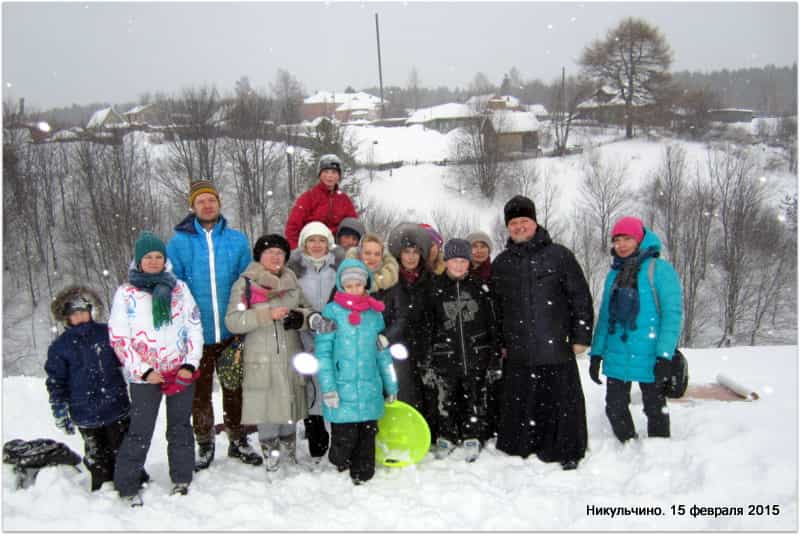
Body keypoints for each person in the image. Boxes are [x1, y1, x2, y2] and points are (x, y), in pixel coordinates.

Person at [491, 195, 594, 470]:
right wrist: (500, 342)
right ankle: (523, 446)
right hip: (519, 351)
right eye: (513, 223)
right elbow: (496, 310)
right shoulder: (501, 264)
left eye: (524, 221)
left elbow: (580, 296)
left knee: (561, 404)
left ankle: (565, 449)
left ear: (535, 222)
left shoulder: (559, 256)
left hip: (556, 347)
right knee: (521, 403)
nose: (519, 227)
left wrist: (582, 335)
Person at [166, 179, 262, 470]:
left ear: (219, 204)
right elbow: (175, 286)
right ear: (192, 207)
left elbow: (248, 281)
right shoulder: (179, 243)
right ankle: (205, 443)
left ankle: (238, 439)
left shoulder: (236, 240)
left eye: (211, 200)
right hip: (197, 334)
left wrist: (245, 318)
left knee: (235, 389)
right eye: (201, 201)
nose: (207, 205)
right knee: (200, 392)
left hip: (231, 331)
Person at [109, 231, 203, 506]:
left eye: (158, 256)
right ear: (138, 261)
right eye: (148, 257)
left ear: (165, 259)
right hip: (145, 377)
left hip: (179, 371)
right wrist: (143, 371)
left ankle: (182, 477)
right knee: (140, 429)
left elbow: (194, 326)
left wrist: (190, 362)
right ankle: (127, 484)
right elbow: (119, 337)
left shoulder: (179, 289)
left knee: (180, 427)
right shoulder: (126, 293)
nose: (153, 261)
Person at [224, 234, 314, 474]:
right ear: (259, 256)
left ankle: (289, 453)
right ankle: (271, 456)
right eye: (270, 252)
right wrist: (265, 315)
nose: (275, 257)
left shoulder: (292, 282)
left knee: (289, 404)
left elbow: (309, 313)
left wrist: (300, 318)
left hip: (289, 355)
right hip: (260, 358)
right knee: (266, 408)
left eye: (280, 253)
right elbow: (233, 321)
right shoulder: (245, 284)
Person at [588, 216, 683, 443]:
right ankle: (628, 445)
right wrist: (597, 353)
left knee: (655, 407)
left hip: (650, 354)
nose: (621, 245)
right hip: (617, 352)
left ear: (639, 239)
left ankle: (659, 451)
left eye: (627, 239)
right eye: (617, 240)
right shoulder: (614, 273)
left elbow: (672, 315)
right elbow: (605, 318)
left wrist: (664, 355)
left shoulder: (659, 270)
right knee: (614, 407)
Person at [315, 259, 399, 485]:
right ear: (342, 286)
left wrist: (391, 385)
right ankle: (339, 461)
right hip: (342, 389)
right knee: (345, 438)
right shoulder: (331, 312)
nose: (354, 290)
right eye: (349, 285)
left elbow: (383, 355)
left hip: (370, 387)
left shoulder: (374, 314)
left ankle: (363, 474)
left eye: (358, 285)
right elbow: (323, 353)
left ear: (365, 285)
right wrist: (329, 388)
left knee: (367, 435)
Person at [45, 286, 133, 492]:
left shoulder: (107, 333)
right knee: (97, 453)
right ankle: (102, 486)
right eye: (74, 314)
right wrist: (59, 408)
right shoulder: (60, 347)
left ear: (90, 311)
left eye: (83, 311)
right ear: (67, 318)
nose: (80, 316)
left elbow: (127, 359)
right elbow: (56, 381)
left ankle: (131, 481)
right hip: (85, 412)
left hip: (115, 406)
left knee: (123, 449)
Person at [427, 239, 501, 462]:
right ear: (446, 262)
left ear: (469, 263)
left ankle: (472, 435)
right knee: (445, 398)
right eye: (454, 261)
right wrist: (429, 357)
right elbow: (427, 326)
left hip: (476, 353)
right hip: (445, 355)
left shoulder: (480, 288)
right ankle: (447, 435)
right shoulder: (435, 288)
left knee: (474, 396)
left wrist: (494, 355)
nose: (458, 266)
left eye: (463, 261)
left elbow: (493, 324)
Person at [285, 222, 340, 463]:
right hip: (304, 334)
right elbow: (291, 300)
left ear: (328, 243)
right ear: (303, 244)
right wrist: (307, 319)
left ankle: (340, 437)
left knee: (334, 383)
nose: (316, 245)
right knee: (311, 386)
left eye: (321, 240)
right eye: (311, 240)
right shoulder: (294, 272)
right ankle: (316, 438)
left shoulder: (338, 269)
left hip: (334, 334)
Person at [384, 222, 436, 435]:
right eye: (407, 252)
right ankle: (405, 431)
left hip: (425, 343)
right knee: (403, 390)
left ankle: (428, 431)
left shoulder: (430, 280)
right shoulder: (392, 281)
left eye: (415, 252)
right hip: (398, 344)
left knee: (428, 390)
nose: (411, 257)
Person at [284, 154, 358, 250]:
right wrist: (297, 251)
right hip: (312, 248)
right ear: (320, 174)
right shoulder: (308, 198)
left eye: (334, 172)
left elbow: (354, 227)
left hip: (337, 249)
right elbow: (292, 227)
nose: (330, 176)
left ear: (339, 176)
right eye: (326, 171)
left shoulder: (344, 200)